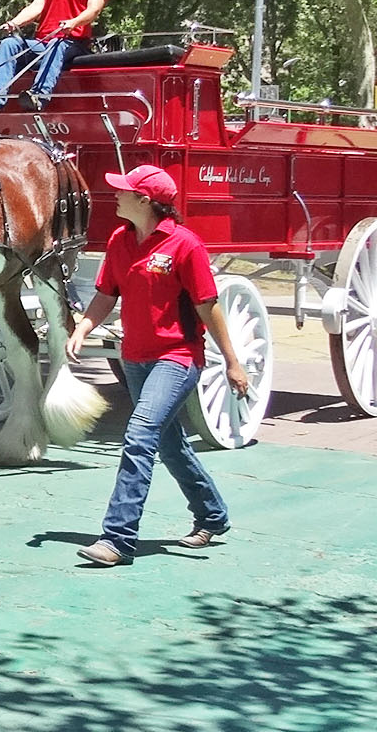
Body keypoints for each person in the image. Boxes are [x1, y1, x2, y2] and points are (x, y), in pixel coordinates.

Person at [65, 165, 250, 566]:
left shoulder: (185, 245)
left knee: (139, 435)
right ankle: (212, 516)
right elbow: (105, 294)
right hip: (134, 359)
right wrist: (83, 326)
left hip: (177, 358)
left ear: (145, 201)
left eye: (124, 191)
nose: (115, 194)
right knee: (169, 445)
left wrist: (233, 362)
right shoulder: (120, 240)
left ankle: (117, 539)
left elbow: (207, 306)